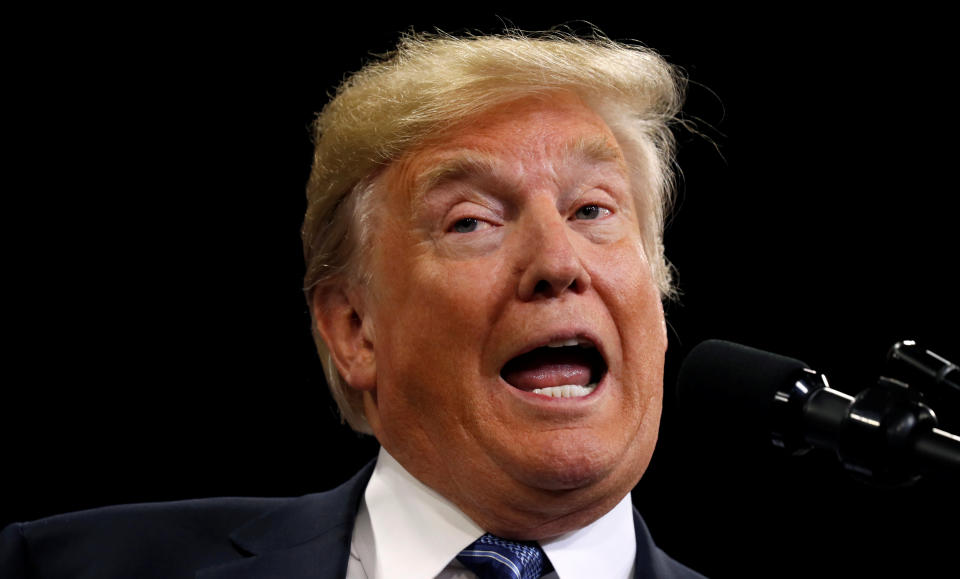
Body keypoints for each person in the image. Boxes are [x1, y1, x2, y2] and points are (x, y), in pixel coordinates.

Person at [0, 30, 705, 578]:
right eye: (470, 221)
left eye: (592, 208)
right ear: (353, 329)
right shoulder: (74, 565)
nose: (557, 262)